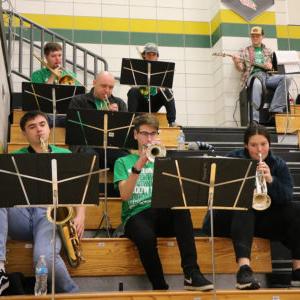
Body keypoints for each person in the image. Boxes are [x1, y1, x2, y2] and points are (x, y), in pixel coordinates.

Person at [113, 114, 213, 291]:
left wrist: (165, 163)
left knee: (181, 209)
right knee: (145, 236)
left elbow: (178, 192)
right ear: (135, 135)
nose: (149, 138)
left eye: (153, 134)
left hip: (161, 212)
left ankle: (191, 273)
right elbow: (125, 195)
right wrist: (140, 164)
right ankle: (160, 287)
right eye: (145, 133)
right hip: (136, 215)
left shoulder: (164, 159)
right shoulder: (122, 161)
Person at [202, 124, 300, 290]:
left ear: (269, 144)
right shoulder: (233, 159)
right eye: (254, 145)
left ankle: (297, 268)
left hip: (258, 219)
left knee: (296, 210)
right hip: (227, 218)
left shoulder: (278, 164)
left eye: (263, 144)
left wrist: (271, 180)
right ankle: (244, 269)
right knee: (245, 206)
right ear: (246, 146)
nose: (259, 149)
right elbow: (218, 192)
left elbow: (286, 196)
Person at [0, 111, 85, 295]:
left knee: (44, 258)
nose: (38, 130)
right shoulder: (15, 157)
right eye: (32, 127)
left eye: (42, 124)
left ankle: (73, 294)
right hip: (21, 214)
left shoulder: (65, 154)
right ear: (24, 134)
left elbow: (78, 189)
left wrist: (81, 215)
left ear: (49, 128)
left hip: (49, 215)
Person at [68, 71, 128, 170]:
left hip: (110, 146)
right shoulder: (78, 101)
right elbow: (74, 129)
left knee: (125, 160)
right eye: (104, 86)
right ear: (94, 83)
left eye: (111, 87)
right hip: (85, 145)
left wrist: (117, 118)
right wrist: (102, 113)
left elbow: (124, 133)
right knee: (91, 157)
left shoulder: (119, 103)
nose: (107, 90)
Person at [232, 26, 290, 124]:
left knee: (286, 79)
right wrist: (236, 62)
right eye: (253, 36)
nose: (255, 38)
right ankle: (254, 119)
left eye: (257, 36)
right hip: (253, 76)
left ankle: (275, 108)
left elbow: (274, 68)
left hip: (267, 76)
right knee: (257, 84)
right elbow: (241, 69)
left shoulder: (269, 51)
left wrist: (270, 66)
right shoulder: (244, 50)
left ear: (262, 36)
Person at [127, 43, 177, 127]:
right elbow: (133, 86)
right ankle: (132, 121)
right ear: (144, 56)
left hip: (153, 101)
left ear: (157, 57)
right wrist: (145, 88)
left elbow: (164, 89)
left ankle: (172, 122)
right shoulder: (136, 68)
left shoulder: (163, 69)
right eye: (148, 54)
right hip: (141, 102)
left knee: (168, 92)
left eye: (154, 54)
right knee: (133, 91)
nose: (151, 57)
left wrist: (160, 89)